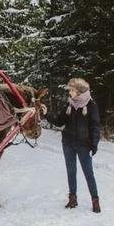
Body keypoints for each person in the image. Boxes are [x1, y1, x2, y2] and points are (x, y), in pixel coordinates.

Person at [48, 78, 101, 213]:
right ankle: (73, 199)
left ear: (78, 91)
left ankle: (95, 200)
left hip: (84, 145)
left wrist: (94, 145)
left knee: (88, 173)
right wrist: (45, 114)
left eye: (71, 90)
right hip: (68, 144)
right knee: (71, 172)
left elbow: (95, 126)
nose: (69, 92)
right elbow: (59, 121)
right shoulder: (69, 104)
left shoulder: (91, 105)